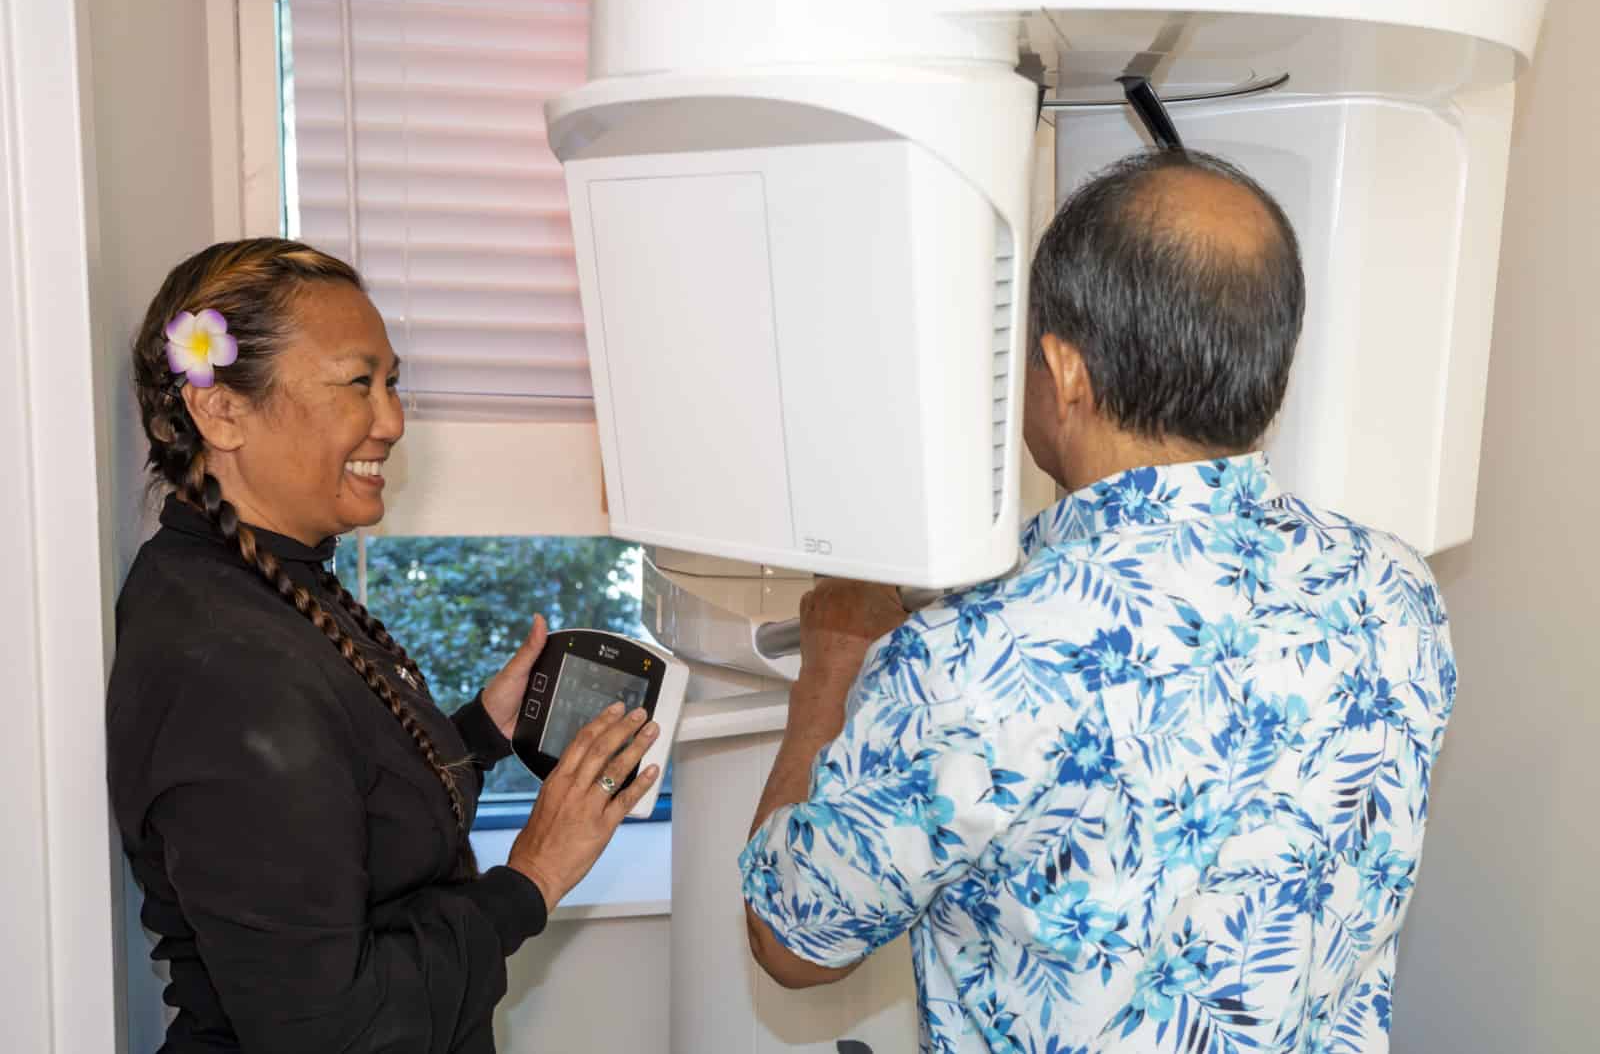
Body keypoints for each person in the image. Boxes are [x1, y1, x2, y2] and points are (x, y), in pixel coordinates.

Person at [740, 149, 1452, 1052]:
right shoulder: (1397, 591)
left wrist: (832, 671)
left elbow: (792, 941)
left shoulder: (971, 662)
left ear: (1064, 371)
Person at [106, 238, 661, 1053]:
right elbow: (336, 1028)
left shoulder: (269, 577)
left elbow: (350, 816)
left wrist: (481, 732)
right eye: (357, 383)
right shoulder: (228, 670)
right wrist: (534, 877)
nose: (393, 421)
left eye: (391, 382)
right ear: (221, 410)